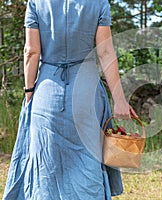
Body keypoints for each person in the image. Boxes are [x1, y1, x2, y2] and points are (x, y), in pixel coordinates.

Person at [3, 0, 137, 199]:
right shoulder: (99, 3)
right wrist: (119, 100)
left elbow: (31, 51)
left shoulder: (36, 3)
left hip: (46, 92)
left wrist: (29, 91)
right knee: (88, 160)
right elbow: (105, 52)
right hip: (87, 91)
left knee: (46, 165)